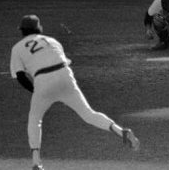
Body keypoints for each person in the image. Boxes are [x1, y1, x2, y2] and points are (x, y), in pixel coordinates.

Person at [10, 15, 139, 170]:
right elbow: (60, 60)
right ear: (39, 28)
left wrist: (36, 91)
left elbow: (20, 76)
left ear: (23, 31)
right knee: (88, 114)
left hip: (43, 80)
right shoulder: (52, 41)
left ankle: (36, 162)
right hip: (65, 75)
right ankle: (121, 131)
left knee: (35, 120)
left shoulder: (17, 47)